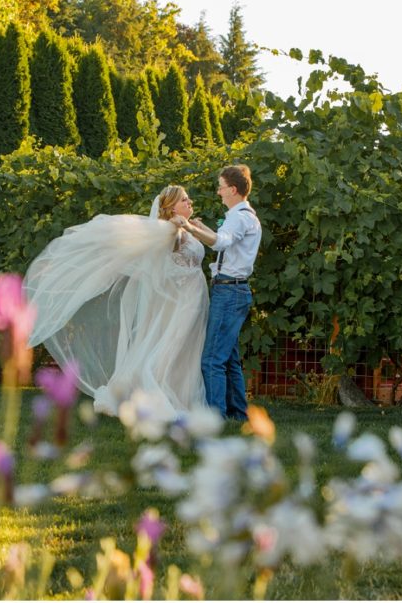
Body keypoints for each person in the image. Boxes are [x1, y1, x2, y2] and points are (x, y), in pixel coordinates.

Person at [23, 185, 208, 419]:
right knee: (172, 348)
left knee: (184, 351)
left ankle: (178, 396)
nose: (190, 202)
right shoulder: (173, 231)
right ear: (171, 208)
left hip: (192, 299)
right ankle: (154, 394)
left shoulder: (186, 230)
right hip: (182, 302)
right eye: (184, 200)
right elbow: (161, 268)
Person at [172, 164, 261, 421]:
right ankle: (238, 414)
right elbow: (224, 242)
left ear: (233, 189)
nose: (218, 192)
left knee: (211, 359)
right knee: (229, 359)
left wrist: (189, 228)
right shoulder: (243, 215)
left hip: (229, 292)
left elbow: (221, 243)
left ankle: (215, 418)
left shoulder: (239, 216)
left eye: (221, 187)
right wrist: (204, 229)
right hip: (233, 290)